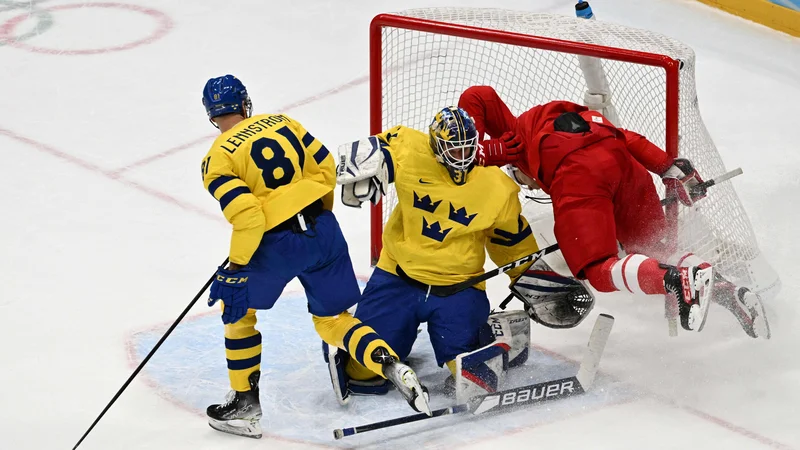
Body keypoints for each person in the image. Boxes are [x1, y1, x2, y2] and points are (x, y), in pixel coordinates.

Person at [199, 75, 429, 438]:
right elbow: (325, 168)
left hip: (274, 246)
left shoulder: (216, 158)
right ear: (246, 104)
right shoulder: (282, 122)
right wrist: (317, 219)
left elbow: (248, 215)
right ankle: (386, 361)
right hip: (324, 231)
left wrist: (238, 264)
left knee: (239, 314)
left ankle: (244, 404)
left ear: (212, 115)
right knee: (332, 319)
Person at [458, 85, 769, 338]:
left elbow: (475, 99)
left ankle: (676, 282)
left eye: (521, 180)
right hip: (623, 162)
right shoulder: (552, 120)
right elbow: (625, 137)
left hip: (578, 174)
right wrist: (670, 168)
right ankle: (731, 292)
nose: (533, 188)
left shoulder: (519, 146)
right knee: (656, 249)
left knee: (598, 270)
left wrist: (477, 153)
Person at [332, 106, 541, 402]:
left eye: (468, 149)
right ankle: (393, 332)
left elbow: (511, 241)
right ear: (437, 146)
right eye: (455, 151)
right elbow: (374, 149)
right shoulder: (409, 148)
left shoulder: (496, 187)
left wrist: (533, 280)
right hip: (398, 277)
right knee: (363, 371)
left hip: (459, 288)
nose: (464, 158)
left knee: (473, 378)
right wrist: (366, 161)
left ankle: (496, 331)